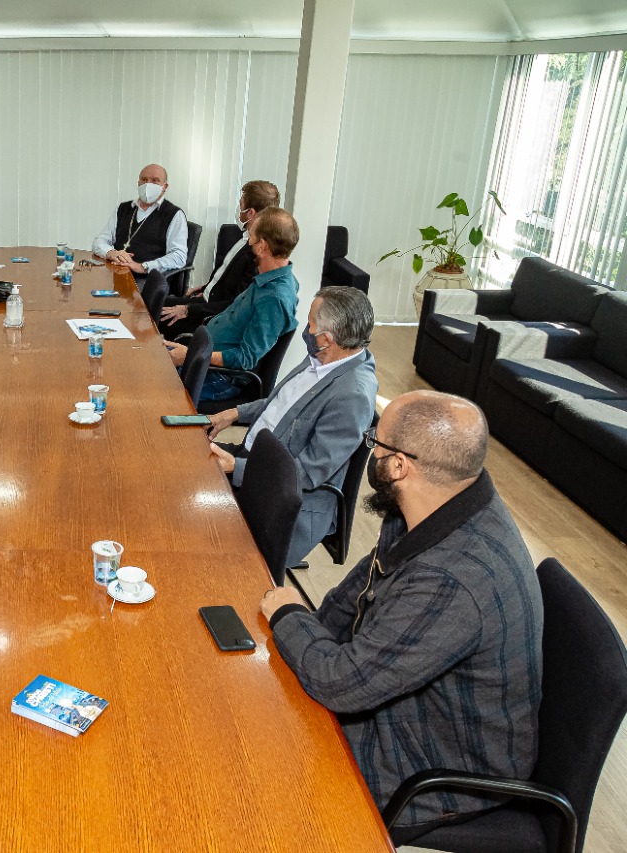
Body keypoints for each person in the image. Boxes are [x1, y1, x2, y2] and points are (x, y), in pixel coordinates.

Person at [260, 391, 542, 845]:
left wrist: (289, 614)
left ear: (397, 465)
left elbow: (340, 684)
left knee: (262, 766)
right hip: (408, 705)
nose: (368, 448)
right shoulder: (433, 505)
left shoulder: (453, 579)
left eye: (374, 439)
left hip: (436, 766)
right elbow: (346, 601)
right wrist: (307, 634)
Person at [207, 286, 378, 568]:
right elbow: (281, 404)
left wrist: (236, 468)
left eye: (310, 323)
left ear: (326, 338)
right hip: (254, 460)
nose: (306, 328)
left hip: (283, 500)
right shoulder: (323, 358)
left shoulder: (352, 395)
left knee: (193, 525)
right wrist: (232, 414)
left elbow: (307, 474)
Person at [165, 207, 300, 401]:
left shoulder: (274, 298)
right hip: (202, 358)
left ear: (261, 246)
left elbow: (245, 359)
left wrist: (190, 355)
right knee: (146, 361)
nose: (248, 243)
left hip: (221, 376)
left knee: (152, 387)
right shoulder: (269, 279)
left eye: (251, 237)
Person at [159, 180, 279, 340]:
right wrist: (207, 287)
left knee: (152, 315)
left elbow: (234, 305)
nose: (238, 208)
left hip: (212, 319)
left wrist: (187, 310)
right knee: (151, 303)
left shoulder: (259, 256)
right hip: (205, 301)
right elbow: (229, 278)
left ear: (250, 213)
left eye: (240, 203)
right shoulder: (245, 237)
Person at [92, 163, 188, 276]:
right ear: (138, 183)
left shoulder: (174, 214)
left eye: (155, 181)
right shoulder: (123, 209)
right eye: (144, 179)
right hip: (117, 273)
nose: (148, 184)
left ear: (164, 187)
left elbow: (179, 256)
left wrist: (142, 267)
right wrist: (110, 252)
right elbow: (99, 242)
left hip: (147, 279)